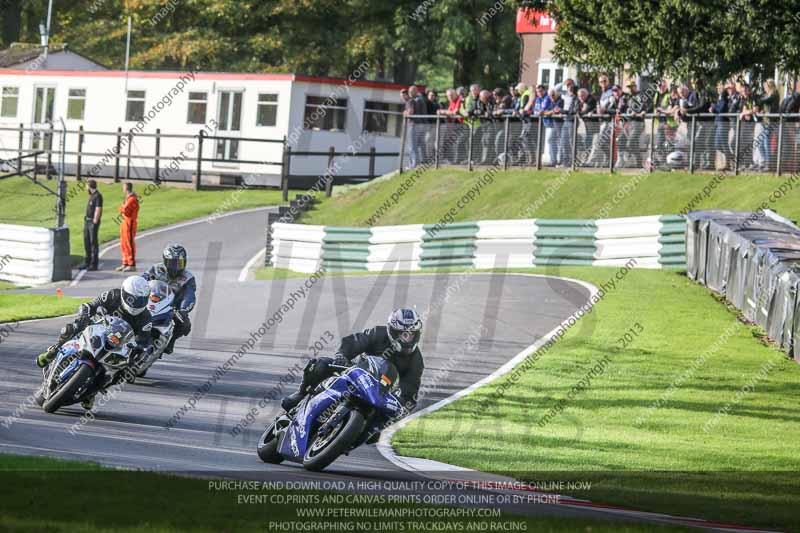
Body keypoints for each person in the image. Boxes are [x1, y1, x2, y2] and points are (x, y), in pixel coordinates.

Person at [281, 308, 425, 442]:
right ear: (392, 331)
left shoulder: (416, 361)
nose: (407, 339)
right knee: (320, 365)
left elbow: (410, 392)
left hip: (380, 394)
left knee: (375, 432)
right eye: (402, 334)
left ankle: (344, 439)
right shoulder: (378, 333)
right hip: (354, 373)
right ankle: (301, 394)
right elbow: (354, 342)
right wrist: (342, 355)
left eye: (411, 335)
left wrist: (401, 407)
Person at [35, 276, 153, 408]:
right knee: (71, 329)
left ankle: (91, 393)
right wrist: (84, 313)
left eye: (142, 300)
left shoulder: (146, 318)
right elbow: (90, 305)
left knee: (122, 374)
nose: (137, 303)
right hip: (97, 329)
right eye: (135, 299)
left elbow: (144, 342)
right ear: (124, 293)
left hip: (118, 346)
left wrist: (140, 354)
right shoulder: (112, 295)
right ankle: (53, 351)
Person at [140, 244, 196, 354]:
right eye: (172, 263)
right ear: (165, 261)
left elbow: (189, 296)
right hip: (151, 301)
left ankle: (171, 342)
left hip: (172, 307)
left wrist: (183, 310)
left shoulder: (188, 277)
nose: (176, 268)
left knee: (185, 324)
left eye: (179, 263)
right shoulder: (156, 269)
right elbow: (141, 279)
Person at [79, 179, 103, 271]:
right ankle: (87, 261)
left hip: (92, 222)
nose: (85, 188)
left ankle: (94, 264)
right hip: (87, 221)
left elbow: (98, 209)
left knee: (93, 243)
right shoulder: (91, 196)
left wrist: (95, 221)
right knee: (86, 241)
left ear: (89, 187)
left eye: (86, 187)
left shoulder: (98, 196)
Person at [116, 182, 139, 272]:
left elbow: (126, 211)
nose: (123, 189)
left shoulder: (132, 199)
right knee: (123, 242)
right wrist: (122, 208)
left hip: (130, 222)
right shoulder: (128, 198)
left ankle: (131, 263)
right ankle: (125, 262)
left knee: (129, 243)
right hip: (125, 222)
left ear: (126, 188)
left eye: (123, 187)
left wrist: (121, 208)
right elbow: (124, 209)